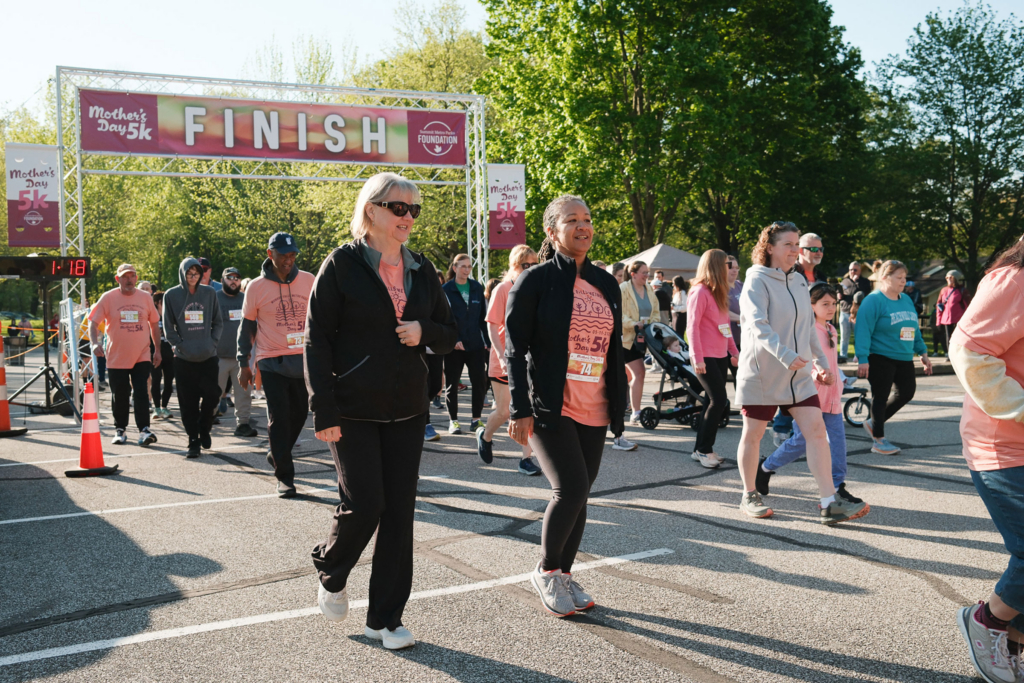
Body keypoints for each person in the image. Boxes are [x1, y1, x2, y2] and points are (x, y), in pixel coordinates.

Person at [306, 172, 456, 650]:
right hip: (351, 409)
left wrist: (422, 332)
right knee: (366, 503)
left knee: (399, 514)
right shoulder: (341, 266)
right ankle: (332, 569)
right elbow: (316, 342)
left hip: (408, 410)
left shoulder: (422, 268)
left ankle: (385, 620)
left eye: (415, 210)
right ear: (371, 210)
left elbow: (449, 331)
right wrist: (322, 407)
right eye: (399, 208)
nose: (408, 218)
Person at [505, 194, 627, 617]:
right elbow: (514, 347)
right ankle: (546, 569)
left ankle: (565, 576)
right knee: (570, 487)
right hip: (550, 405)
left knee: (581, 494)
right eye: (572, 219)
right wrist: (520, 407)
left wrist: (620, 401)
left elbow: (614, 348)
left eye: (588, 219)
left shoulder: (606, 282)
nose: (583, 226)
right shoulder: (535, 281)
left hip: (596, 403)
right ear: (551, 230)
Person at [735, 221, 868, 524]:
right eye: (789, 245)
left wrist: (820, 362)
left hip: (798, 374)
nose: (795, 250)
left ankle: (828, 503)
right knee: (753, 434)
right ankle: (749, 494)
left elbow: (809, 326)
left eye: (797, 244)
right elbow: (757, 325)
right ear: (770, 248)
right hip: (763, 372)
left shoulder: (797, 281)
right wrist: (784, 354)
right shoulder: (756, 280)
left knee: (817, 432)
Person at [948, 237, 1024, 683]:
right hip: (1003, 446)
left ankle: (1013, 644)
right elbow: (969, 350)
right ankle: (987, 621)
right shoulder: (1014, 279)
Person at [756, 283, 867, 507]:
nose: (830, 308)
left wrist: (841, 378)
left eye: (833, 304)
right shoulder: (805, 329)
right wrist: (818, 376)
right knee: (801, 440)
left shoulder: (831, 330)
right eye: (824, 304)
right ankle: (766, 466)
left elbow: (831, 362)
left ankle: (837, 486)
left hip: (833, 397)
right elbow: (804, 360)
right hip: (810, 395)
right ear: (811, 305)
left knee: (837, 443)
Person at [236, 234, 314, 496]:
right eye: (283, 256)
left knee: (301, 413)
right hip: (271, 361)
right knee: (279, 418)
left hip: (302, 359)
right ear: (270, 254)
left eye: (292, 256)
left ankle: (277, 453)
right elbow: (247, 326)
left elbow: (320, 319)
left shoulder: (309, 280)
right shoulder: (256, 287)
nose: (289, 261)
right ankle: (285, 478)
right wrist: (243, 362)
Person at [854, 260, 933, 455]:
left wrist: (922, 352)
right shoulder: (874, 301)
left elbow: (913, 329)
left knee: (907, 392)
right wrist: (862, 357)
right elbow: (863, 330)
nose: (903, 282)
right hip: (880, 356)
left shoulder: (906, 300)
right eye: (899, 278)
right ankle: (879, 441)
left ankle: (874, 423)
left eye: (904, 278)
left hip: (904, 356)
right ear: (884, 278)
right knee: (880, 397)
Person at [477, 244, 542, 474]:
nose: (531, 269)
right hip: (504, 359)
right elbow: (493, 327)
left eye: (535, 265)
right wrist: (502, 355)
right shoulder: (503, 289)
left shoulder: (536, 288)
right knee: (504, 412)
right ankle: (485, 435)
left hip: (528, 359)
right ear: (514, 265)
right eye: (526, 265)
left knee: (527, 410)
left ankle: (526, 459)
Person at [88, 263, 162, 446]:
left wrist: (157, 350)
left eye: (132, 276)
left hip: (142, 354)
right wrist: (94, 342)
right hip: (116, 356)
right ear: (118, 279)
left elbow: (154, 325)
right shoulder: (108, 297)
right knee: (120, 395)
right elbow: (93, 322)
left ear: (136, 278)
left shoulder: (145, 298)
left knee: (141, 393)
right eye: (125, 276)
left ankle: (144, 430)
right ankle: (120, 430)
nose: (129, 280)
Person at [163, 257, 222, 458]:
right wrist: (179, 345)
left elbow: (218, 322)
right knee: (187, 403)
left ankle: (204, 427)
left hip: (208, 356)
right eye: (189, 273)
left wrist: (212, 342)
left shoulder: (209, 293)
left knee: (212, 394)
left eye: (196, 273)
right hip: (184, 359)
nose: (193, 277)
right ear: (183, 273)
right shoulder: (171, 295)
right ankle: (193, 441)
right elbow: (168, 327)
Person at [687, 249, 739, 469]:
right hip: (704, 356)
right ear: (716, 266)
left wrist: (733, 352)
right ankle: (703, 450)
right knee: (719, 400)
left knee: (712, 401)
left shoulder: (718, 292)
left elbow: (725, 326)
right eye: (727, 264)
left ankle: (701, 448)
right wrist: (696, 357)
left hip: (719, 355)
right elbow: (692, 327)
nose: (730, 268)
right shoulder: (699, 292)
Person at [441, 254, 489, 435]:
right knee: (452, 384)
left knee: (479, 383)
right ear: (454, 268)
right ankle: (453, 421)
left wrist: (487, 341)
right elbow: (444, 319)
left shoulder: (477, 287)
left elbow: (483, 318)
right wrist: (453, 340)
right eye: (463, 266)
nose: (467, 270)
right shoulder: (446, 289)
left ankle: (476, 420)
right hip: (454, 347)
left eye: (469, 266)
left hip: (475, 345)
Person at [214, 267, 257, 438]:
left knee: (244, 394)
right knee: (213, 392)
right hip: (218, 356)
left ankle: (243, 424)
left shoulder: (246, 299)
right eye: (229, 277)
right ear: (223, 279)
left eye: (237, 278)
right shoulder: (215, 298)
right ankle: (207, 420)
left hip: (242, 358)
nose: (234, 281)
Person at [620, 261, 660, 424]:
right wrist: (633, 323)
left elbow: (655, 312)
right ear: (633, 274)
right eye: (644, 273)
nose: (647, 276)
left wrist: (653, 324)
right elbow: (618, 312)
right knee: (639, 373)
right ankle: (636, 412)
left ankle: (626, 407)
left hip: (642, 339)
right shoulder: (624, 288)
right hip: (626, 339)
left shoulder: (649, 289)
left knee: (630, 375)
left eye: (648, 273)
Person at [840, 262, 872, 362]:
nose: (852, 272)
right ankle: (843, 356)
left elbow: (860, 296)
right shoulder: (844, 281)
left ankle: (858, 356)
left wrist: (854, 283)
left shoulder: (865, 282)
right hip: (844, 312)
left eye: (855, 270)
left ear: (860, 271)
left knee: (859, 336)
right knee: (844, 336)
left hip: (858, 314)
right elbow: (840, 296)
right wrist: (839, 295)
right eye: (850, 270)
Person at [150, 291, 175, 419]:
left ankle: (165, 407)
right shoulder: (152, 317)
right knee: (156, 380)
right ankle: (156, 408)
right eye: (163, 301)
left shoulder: (171, 316)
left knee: (169, 382)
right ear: (157, 302)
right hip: (155, 353)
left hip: (170, 354)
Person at [936, 269, 968, 357]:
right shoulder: (943, 290)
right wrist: (938, 321)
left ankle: (959, 355)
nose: (948, 279)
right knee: (948, 337)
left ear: (956, 278)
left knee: (959, 337)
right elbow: (939, 305)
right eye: (947, 277)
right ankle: (950, 355)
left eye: (951, 277)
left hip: (959, 319)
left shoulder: (962, 290)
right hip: (946, 319)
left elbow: (967, 306)